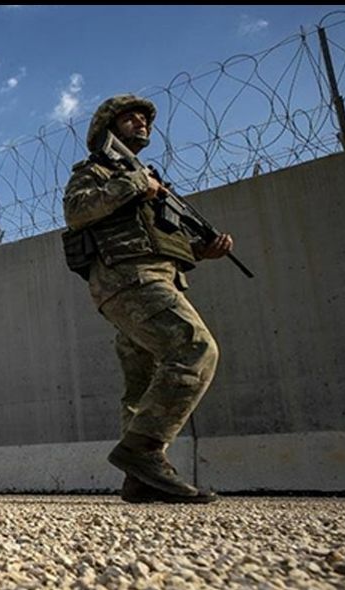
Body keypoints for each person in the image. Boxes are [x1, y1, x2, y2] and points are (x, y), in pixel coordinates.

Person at [62, 94, 232, 504]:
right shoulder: (96, 170)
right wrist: (138, 183)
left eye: (145, 119)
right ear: (108, 127)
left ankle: (141, 480)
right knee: (195, 348)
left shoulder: (149, 177)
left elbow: (154, 239)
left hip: (153, 277)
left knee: (141, 384)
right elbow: (76, 210)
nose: (142, 123)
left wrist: (199, 251)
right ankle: (143, 449)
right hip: (127, 279)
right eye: (131, 118)